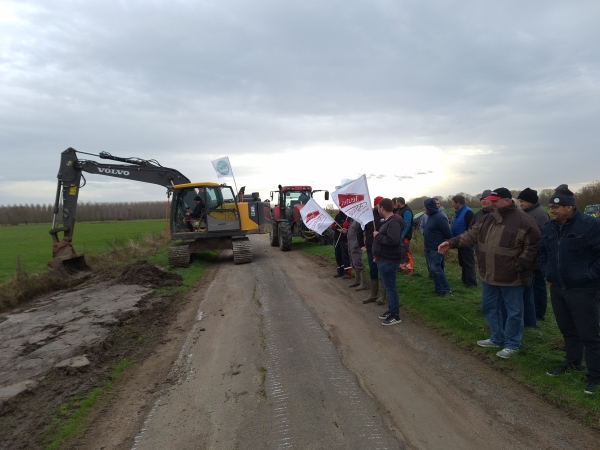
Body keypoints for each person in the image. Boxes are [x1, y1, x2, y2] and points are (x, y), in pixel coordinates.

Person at [438, 188, 541, 358]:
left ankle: (513, 344)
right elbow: (470, 235)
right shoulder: (487, 219)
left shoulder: (524, 221)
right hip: (488, 274)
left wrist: (519, 265)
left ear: (507, 201)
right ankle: (497, 337)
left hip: (512, 276)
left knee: (514, 312)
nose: (490, 203)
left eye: (495, 201)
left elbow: (533, 246)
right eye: (489, 200)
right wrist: (451, 243)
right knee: (488, 307)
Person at [539, 184, 600, 395]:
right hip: (558, 287)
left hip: (583, 290)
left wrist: (588, 275)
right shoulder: (549, 227)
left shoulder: (590, 226)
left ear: (570, 207)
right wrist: (546, 270)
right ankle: (573, 363)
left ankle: (596, 375)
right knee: (568, 330)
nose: (552, 210)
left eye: (557, 207)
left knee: (590, 334)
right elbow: (543, 252)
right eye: (551, 207)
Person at [518, 187, 550, 322]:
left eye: (522, 201)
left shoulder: (540, 214)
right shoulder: (529, 212)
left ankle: (539, 313)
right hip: (532, 257)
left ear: (530, 201)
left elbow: (543, 237)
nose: (521, 204)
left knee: (538, 285)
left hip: (537, 257)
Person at [373, 198, 405, 325]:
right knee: (388, 286)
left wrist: (378, 236)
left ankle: (395, 316)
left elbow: (393, 240)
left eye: (378, 207)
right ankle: (391, 310)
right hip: (383, 258)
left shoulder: (394, 223)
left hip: (389, 260)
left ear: (382, 208)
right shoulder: (389, 222)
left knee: (391, 288)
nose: (377, 209)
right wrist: (377, 255)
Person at [423, 198, 452, 297]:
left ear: (429, 207)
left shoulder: (440, 217)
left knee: (436, 268)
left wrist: (446, 244)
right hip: (429, 247)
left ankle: (446, 289)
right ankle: (438, 289)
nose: (424, 208)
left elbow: (448, 233)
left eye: (425, 206)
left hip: (436, 247)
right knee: (432, 269)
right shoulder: (430, 216)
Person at [358, 196, 384, 304]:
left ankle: (383, 296)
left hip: (383, 249)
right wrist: (361, 245)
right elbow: (359, 231)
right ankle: (373, 294)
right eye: (380, 204)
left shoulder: (387, 216)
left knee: (383, 271)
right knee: (373, 271)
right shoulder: (368, 216)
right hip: (370, 248)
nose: (382, 207)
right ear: (376, 205)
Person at [451, 195, 477, 289]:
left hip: (466, 243)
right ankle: (465, 279)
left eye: (453, 203)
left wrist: (468, 240)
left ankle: (472, 283)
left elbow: (471, 229)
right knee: (462, 262)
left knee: (469, 263)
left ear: (458, 203)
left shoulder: (468, 212)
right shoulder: (459, 212)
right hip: (460, 242)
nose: (452, 205)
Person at [419, 197, 448, 277]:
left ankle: (444, 287)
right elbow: (421, 226)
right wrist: (425, 233)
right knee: (432, 266)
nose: (437, 205)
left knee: (437, 266)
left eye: (438, 203)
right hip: (428, 244)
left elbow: (447, 231)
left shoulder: (441, 216)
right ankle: (435, 280)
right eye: (436, 204)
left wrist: (446, 242)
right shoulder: (426, 215)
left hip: (437, 245)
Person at [394, 197, 414, 275]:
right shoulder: (399, 210)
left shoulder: (407, 211)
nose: (395, 204)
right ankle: (403, 267)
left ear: (399, 202)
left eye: (396, 202)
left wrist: (402, 235)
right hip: (399, 235)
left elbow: (407, 224)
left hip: (404, 236)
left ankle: (410, 269)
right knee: (401, 252)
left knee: (406, 252)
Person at [347, 217, 368, 291]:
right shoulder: (352, 219)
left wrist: (356, 245)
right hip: (351, 245)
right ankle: (357, 280)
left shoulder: (359, 220)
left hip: (356, 246)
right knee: (354, 263)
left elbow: (362, 234)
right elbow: (352, 232)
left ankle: (364, 283)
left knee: (359, 263)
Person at [332, 211, 351, 278]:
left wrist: (345, 230)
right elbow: (333, 226)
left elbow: (349, 226)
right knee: (338, 255)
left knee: (345, 256)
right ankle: (340, 271)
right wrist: (338, 229)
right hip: (337, 239)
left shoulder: (349, 216)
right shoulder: (337, 216)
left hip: (344, 239)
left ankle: (347, 272)